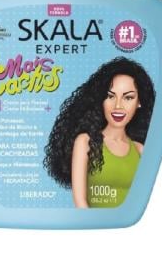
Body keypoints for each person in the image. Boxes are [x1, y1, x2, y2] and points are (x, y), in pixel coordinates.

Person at [43, 57, 155, 208]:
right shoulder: (85, 142)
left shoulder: (140, 150)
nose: (118, 106)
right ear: (101, 99)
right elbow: (80, 202)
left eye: (128, 97)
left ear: (139, 102)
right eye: (110, 96)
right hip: (94, 223)